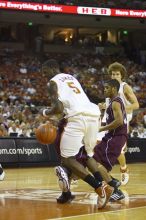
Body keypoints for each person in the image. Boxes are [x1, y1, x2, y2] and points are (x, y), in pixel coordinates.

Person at [41, 59, 114, 209]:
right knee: (88, 155)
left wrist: (45, 112)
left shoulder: (52, 83)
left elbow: (58, 108)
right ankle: (105, 185)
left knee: (67, 160)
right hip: (94, 115)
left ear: (50, 69)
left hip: (77, 118)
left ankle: (99, 188)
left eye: (44, 72)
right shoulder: (71, 77)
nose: (44, 76)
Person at [55, 79, 126, 203]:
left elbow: (119, 121)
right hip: (111, 137)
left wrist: (102, 128)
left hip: (115, 137)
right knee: (92, 159)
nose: (104, 90)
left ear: (114, 89)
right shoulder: (111, 102)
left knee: (96, 162)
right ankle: (110, 184)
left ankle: (114, 190)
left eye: (107, 87)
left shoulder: (115, 102)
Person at [108, 62, 139, 185]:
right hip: (111, 119)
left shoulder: (125, 87)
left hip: (124, 120)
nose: (115, 76)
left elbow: (136, 104)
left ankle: (124, 168)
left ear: (121, 76)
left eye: (117, 74)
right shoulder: (109, 87)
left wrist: (122, 109)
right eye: (113, 74)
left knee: (119, 150)